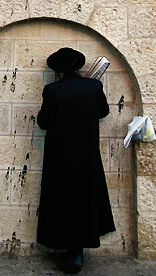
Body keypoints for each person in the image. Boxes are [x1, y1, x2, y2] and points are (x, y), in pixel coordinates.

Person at [36, 47, 116, 274]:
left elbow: (44, 122)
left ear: (58, 70)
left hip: (60, 155)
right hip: (87, 154)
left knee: (61, 199)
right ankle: (78, 250)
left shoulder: (52, 90)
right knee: (85, 199)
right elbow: (103, 112)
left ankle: (68, 250)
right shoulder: (93, 86)